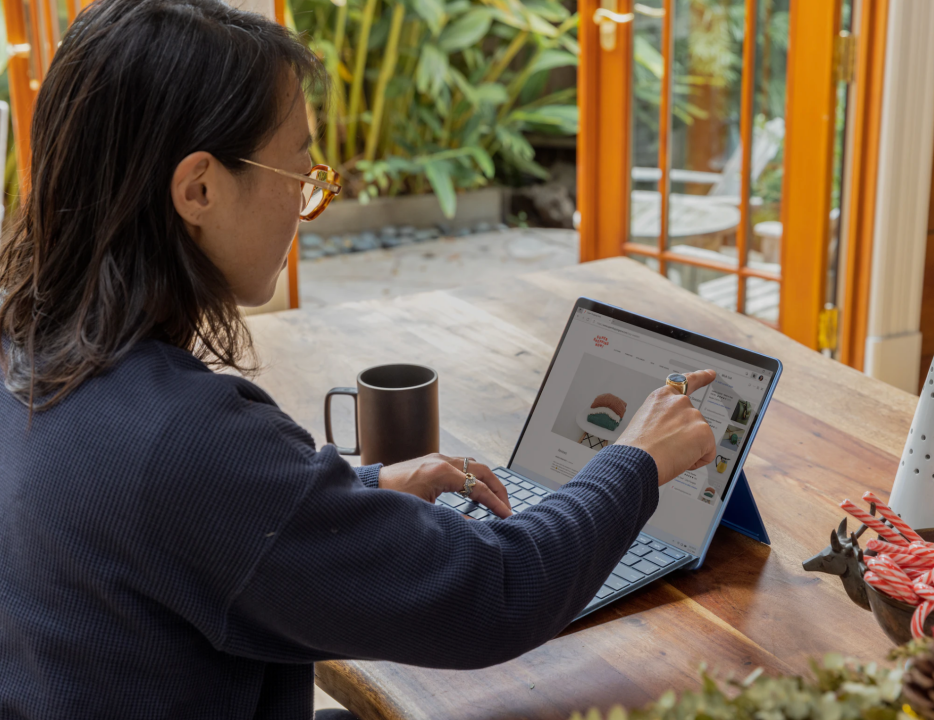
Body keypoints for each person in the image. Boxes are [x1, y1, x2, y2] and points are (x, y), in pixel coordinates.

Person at [0, 0, 717, 717]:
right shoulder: (182, 439)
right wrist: (639, 460)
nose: (305, 204)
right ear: (199, 189)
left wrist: (363, 490)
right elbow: (495, 593)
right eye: (297, 171)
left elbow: (185, 522)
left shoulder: (22, 347)